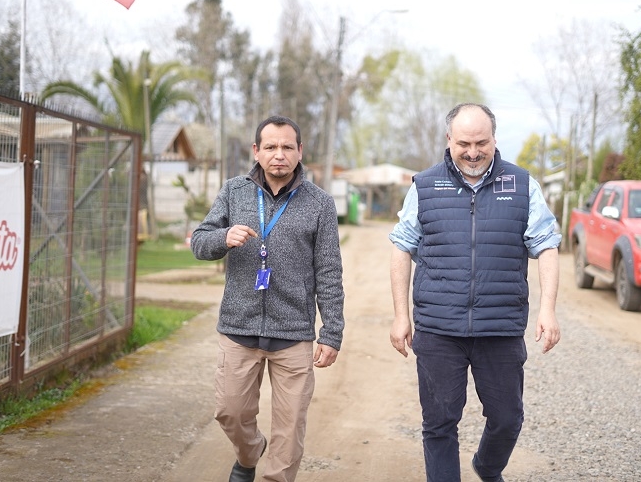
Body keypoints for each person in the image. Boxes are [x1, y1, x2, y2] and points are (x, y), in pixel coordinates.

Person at [388, 103, 561, 482]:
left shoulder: (521, 185)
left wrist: (548, 309)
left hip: (500, 328)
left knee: (506, 418)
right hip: (438, 330)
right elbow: (402, 247)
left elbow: (547, 245)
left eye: (481, 142)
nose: (472, 152)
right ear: (449, 140)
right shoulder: (425, 185)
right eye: (463, 142)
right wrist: (401, 315)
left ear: (494, 139)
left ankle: (486, 466)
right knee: (439, 423)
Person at [190, 115, 345, 482]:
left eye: (287, 147)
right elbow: (199, 242)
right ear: (256, 151)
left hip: (293, 334)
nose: (280, 155)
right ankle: (249, 454)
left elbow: (329, 271)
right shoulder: (234, 192)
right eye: (271, 147)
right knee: (229, 411)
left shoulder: (320, 203)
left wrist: (332, 332)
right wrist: (222, 237)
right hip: (238, 327)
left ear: (300, 151)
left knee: (289, 429)